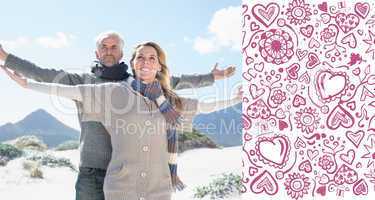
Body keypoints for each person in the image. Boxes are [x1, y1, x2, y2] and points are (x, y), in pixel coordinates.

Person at [0, 31, 236, 200]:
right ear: (96, 52)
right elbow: (43, 75)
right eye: (104, 46)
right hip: (93, 171)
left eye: (114, 47)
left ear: (123, 53)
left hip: (131, 172)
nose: (109, 51)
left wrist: (211, 77)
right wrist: (6, 58)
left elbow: (173, 82)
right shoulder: (83, 82)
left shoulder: (137, 84)